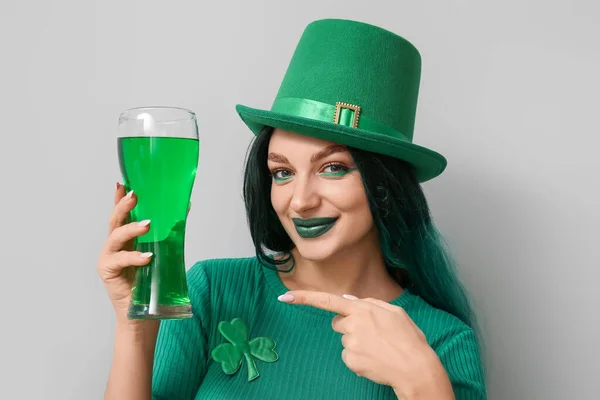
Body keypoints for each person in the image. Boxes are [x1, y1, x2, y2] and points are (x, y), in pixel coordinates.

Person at [98, 18, 487, 400]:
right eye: (282, 172)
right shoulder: (212, 291)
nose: (300, 201)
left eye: (332, 168)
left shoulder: (443, 341)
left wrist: (420, 381)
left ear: (385, 185)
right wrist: (134, 327)